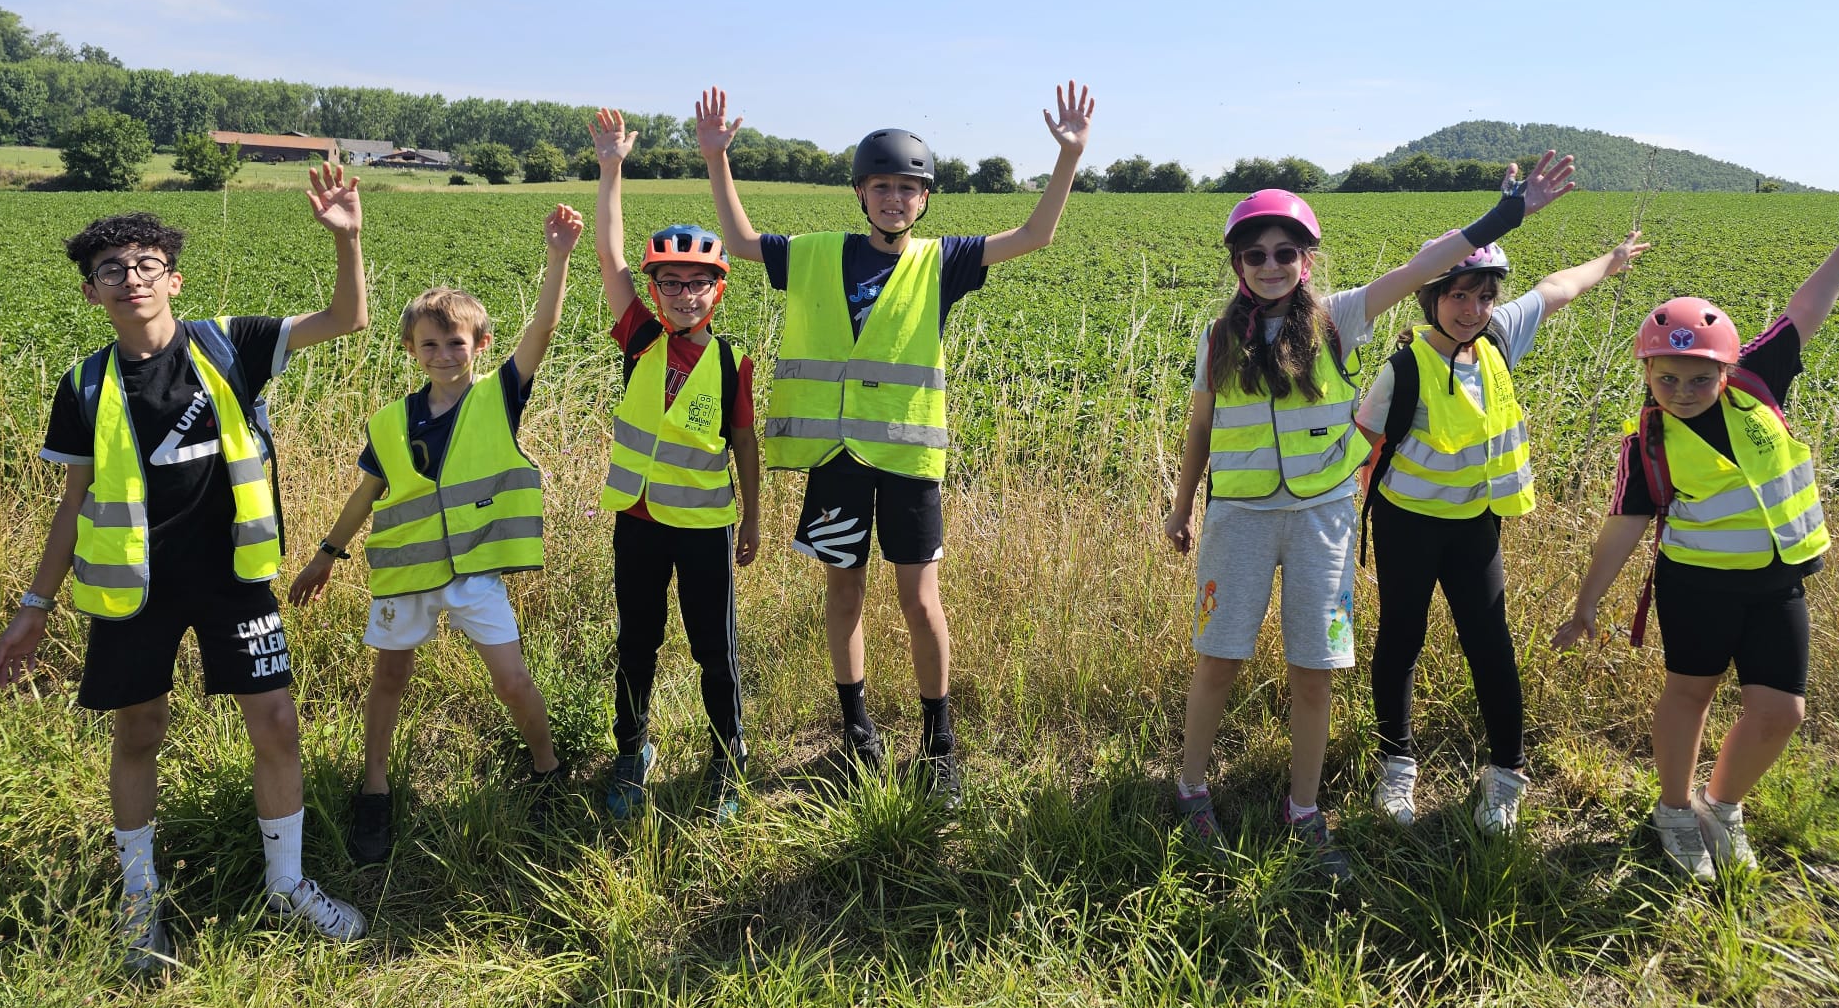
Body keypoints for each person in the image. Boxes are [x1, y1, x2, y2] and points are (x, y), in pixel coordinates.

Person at [0, 169, 372, 970]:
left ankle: (287, 884)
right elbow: (73, 502)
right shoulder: (84, 384)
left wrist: (346, 236)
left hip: (235, 578)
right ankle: (138, 902)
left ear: (173, 278)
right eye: (111, 271)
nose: (131, 279)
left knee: (275, 725)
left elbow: (348, 318)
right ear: (91, 293)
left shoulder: (229, 342)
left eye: (145, 265)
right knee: (141, 732)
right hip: (134, 591)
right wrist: (35, 604)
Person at [1163, 157, 1576, 877]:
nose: (1270, 265)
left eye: (1285, 252)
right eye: (1255, 254)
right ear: (1236, 263)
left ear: (1306, 260)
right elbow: (1200, 428)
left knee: (1315, 672)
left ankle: (1304, 811)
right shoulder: (1216, 338)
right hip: (1239, 519)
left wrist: (1507, 214)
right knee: (1219, 659)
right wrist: (1179, 506)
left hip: (1324, 519)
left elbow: (1424, 266)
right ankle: (1191, 789)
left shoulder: (1338, 318)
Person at [696, 82, 1095, 806]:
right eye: (882, 186)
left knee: (920, 601)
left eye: (909, 189)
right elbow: (746, 244)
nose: (894, 199)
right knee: (842, 591)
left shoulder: (942, 262)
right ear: (860, 193)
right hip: (835, 462)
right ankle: (857, 734)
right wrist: (717, 159)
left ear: (925, 200)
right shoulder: (817, 255)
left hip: (910, 462)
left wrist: (1067, 157)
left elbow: (1035, 236)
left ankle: (938, 746)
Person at [1553, 194, 1839, 879]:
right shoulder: (1649, 442)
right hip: (1698, 589)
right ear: (1648, 372)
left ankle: (1723, 805)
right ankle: (1676, 812)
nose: (1683, 389)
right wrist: (1587, 605)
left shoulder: (1758, 383)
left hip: (1778, 583)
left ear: (1725, 368)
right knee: (1690, 696)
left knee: (1782, 713)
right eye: (1667, 377)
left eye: (1699, 376)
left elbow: (1803, 312)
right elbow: (1623, 527)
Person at [289, 205, 582, 865]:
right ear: (411, 351)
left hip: (475, 574)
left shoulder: (498, 396)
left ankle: (548, 770)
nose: (444, 354)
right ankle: (375, 792)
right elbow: (366, 494)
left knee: (512, 681)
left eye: (457, 343)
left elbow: (544, 327)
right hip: (407, 576)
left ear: (480, 346)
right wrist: (326, 556)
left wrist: (558, 258)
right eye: (430, 344)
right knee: (389, 678)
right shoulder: (391, 422)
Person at [1356, 231, 1649, 834]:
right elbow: (1361, 447)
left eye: (1484, 297)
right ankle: (1396, 767)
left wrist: (1611, 262)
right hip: (1406, 524)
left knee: (1490, 643)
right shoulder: (1403, 368)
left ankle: (1506, 776)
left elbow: (1556, 288)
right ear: (1431, 297)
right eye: (1458, 295)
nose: (1472, 309)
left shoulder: (1498, 339)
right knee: (1401, 638)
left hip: (1473, 525)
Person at [587, 108, 761, 824]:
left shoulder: (730, 363)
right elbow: (609, 255)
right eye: (671, 282)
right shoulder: (637, 336)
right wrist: (611, 169)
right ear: (654, 290)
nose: (682, 294)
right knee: (637, 641)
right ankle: (634, 748)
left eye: (697, 283)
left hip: (705, 528)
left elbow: (745, 445)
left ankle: (728, 756)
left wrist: (754, 515)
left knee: (712, 647)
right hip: (638, 520)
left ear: (718, 290)